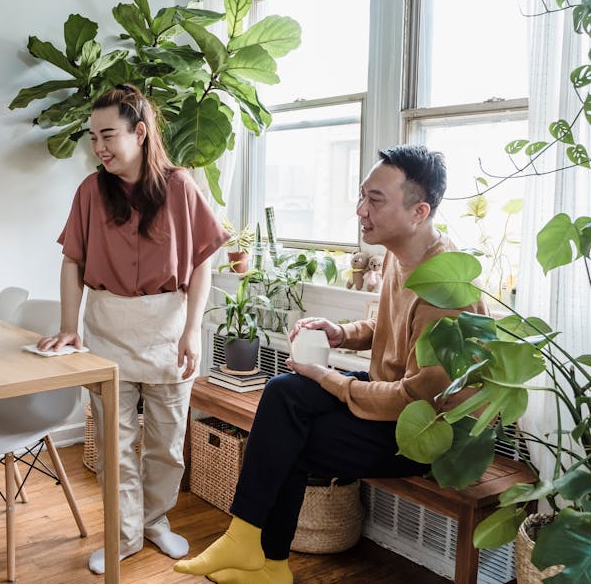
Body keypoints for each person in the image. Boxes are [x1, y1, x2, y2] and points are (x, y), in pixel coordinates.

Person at [174, 145, 488, 584]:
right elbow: (385, 327)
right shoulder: (402, 257)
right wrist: (341, 333)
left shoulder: (447, 290)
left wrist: (331, 378)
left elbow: (415, 399)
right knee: (283, 392)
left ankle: (262, 556)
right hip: (391, 401)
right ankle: (256, 549)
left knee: (292, 436)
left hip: (426, 433)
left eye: (375, 200)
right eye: (363, 196)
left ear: (419, 211)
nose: (361, 210)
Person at [37, 84, 228, 574]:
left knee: (166, 443)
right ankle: (122, 536)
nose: (98, 147)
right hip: (107, 329)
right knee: (114, 443)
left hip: (168, 330)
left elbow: (203, 263)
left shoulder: (181, 186)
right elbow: (72, 262)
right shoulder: (89, 192)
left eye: (108, 135)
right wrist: (67, 327)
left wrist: (191, 330)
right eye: (92, 137)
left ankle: (155, 522)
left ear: (140, 133)